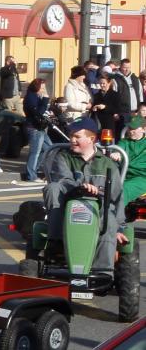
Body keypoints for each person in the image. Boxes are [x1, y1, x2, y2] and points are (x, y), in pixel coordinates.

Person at [43, 117, 127, 279]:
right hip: (68, 207)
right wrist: (81, 187)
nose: (72, 140)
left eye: (77, 137)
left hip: (99, 209)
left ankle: (103, 273)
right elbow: (62, 180)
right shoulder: (63, 157)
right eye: (71, 136)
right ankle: (56, 242)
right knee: (52, 188)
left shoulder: (107, 164)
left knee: (110, 221)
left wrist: (119, 227)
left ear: (91, 139)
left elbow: (117, 197)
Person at [110, 116, 146, 205]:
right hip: (124, 175)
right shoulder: (125, 141)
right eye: (130, 128)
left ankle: (115, 216)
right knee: (106, 187)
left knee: (122, 190)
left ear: (144, 129)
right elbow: (119, 149)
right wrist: (117, 153)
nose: (131, 131)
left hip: (142, 178)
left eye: (134, 129)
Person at [24, 78, 52, 182]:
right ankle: (31, 175)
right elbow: (38, 112)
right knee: (35, 152)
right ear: (37, 87)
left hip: (40, 127)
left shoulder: (36, 96)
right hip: (34, 127)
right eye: (42, 87)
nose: (44, 90)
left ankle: (34, 170)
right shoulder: (31, 97)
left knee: (48, 148)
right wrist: (45, 100)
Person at [112, 58, 141, 137]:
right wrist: (115, 112)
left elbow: (140, 94)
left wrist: (140, 109)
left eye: (128, 67)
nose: (127, 69)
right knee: (122, 134)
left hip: (135, 112)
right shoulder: (115, 79)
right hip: (122, 113)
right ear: (120, 67)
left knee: (134, 134)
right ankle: (120, 149)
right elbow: (113, 97)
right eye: (125, 67)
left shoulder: (135, 78)